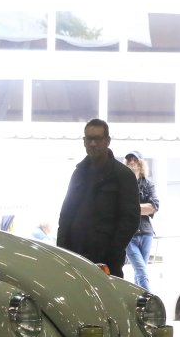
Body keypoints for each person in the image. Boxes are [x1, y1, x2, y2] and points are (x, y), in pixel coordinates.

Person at [56, 119, 139, 277]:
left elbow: (130, 220)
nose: (93, 144)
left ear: (107, 141)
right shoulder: (78, 173)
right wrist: (62, 250)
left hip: (108, 263)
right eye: (89, 139)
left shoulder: (123, 175)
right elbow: (66, 214)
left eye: (97, 139)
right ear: (84, 141)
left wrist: (112, 253)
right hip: (75, 258)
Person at [121, 152, 158, 291]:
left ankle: (138, 300)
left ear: (140, 162)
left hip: (146, 233)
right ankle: (150, 299)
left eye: (135, 159)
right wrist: (143, 208)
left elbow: (154, 206)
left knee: (140, 272)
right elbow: (119, 207)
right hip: (129, 235)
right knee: (141, 270)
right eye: (129, 160)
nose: (132, 162)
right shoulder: (122, 185)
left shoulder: (148, 184)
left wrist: (132, 208)